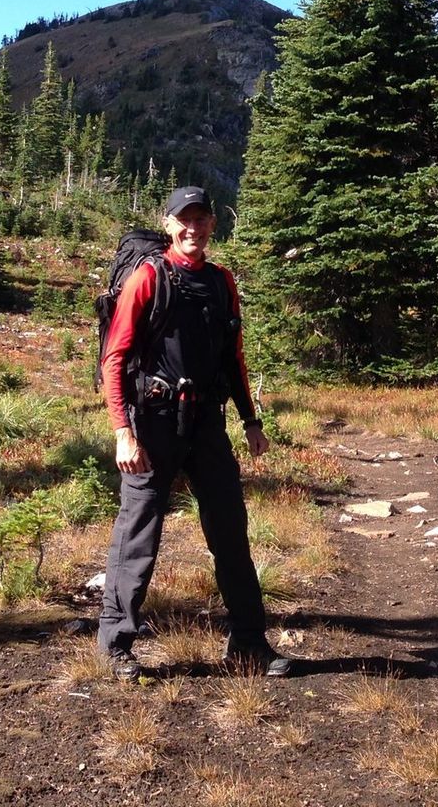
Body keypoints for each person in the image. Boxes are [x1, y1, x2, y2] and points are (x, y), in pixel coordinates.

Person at [96, 185, 291, 680]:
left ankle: (249, 644)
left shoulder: (222, 282)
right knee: (138, 533)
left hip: (207, 424)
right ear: (168, 225)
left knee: (230, 530)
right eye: (184, 219)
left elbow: (233, 358)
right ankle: (115, 645)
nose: (193, 228)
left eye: (201, 219)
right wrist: (123, 432)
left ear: (212, 226)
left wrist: (251, 421)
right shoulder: (149, 277)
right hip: (153, 423)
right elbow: (115, 358)